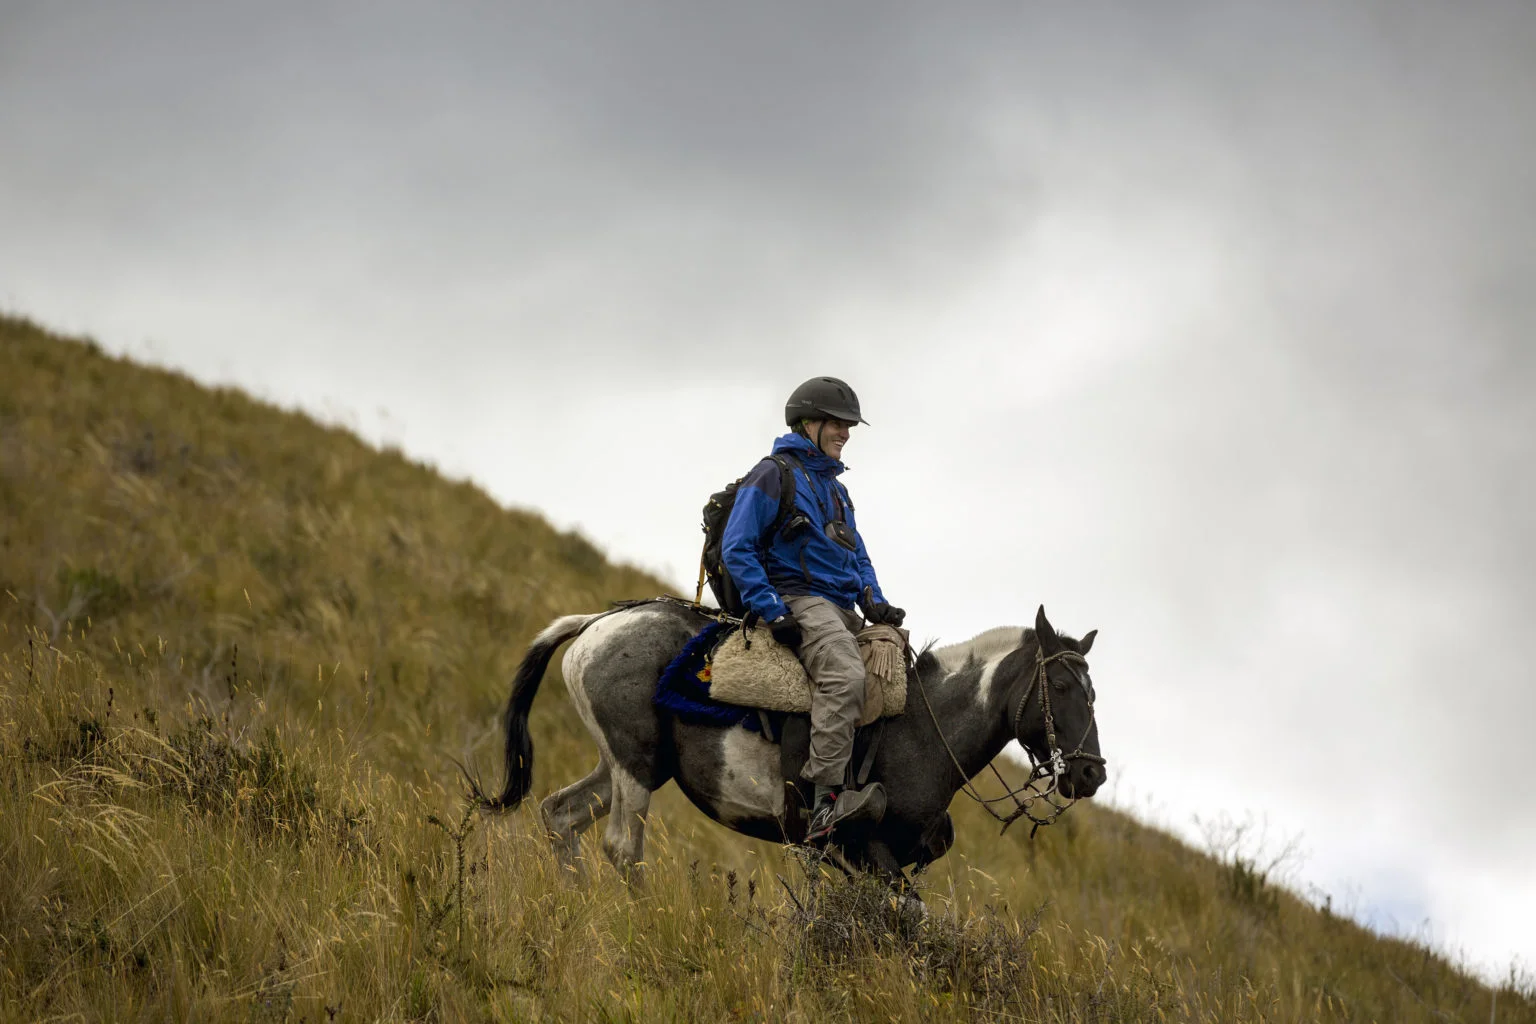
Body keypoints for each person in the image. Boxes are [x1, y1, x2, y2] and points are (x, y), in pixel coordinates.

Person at [720, 376, 905, 843]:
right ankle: (824, 804)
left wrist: (874, 599)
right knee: (845, 676)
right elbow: (737, 547)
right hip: (799, 600)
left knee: (898, 679)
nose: (846, 433)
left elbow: (857, 554)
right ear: (809, 423)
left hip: (843, 607)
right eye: (838, 424)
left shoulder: (838, 492)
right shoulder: (773, 473)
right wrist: (772, 610)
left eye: (849, 426)